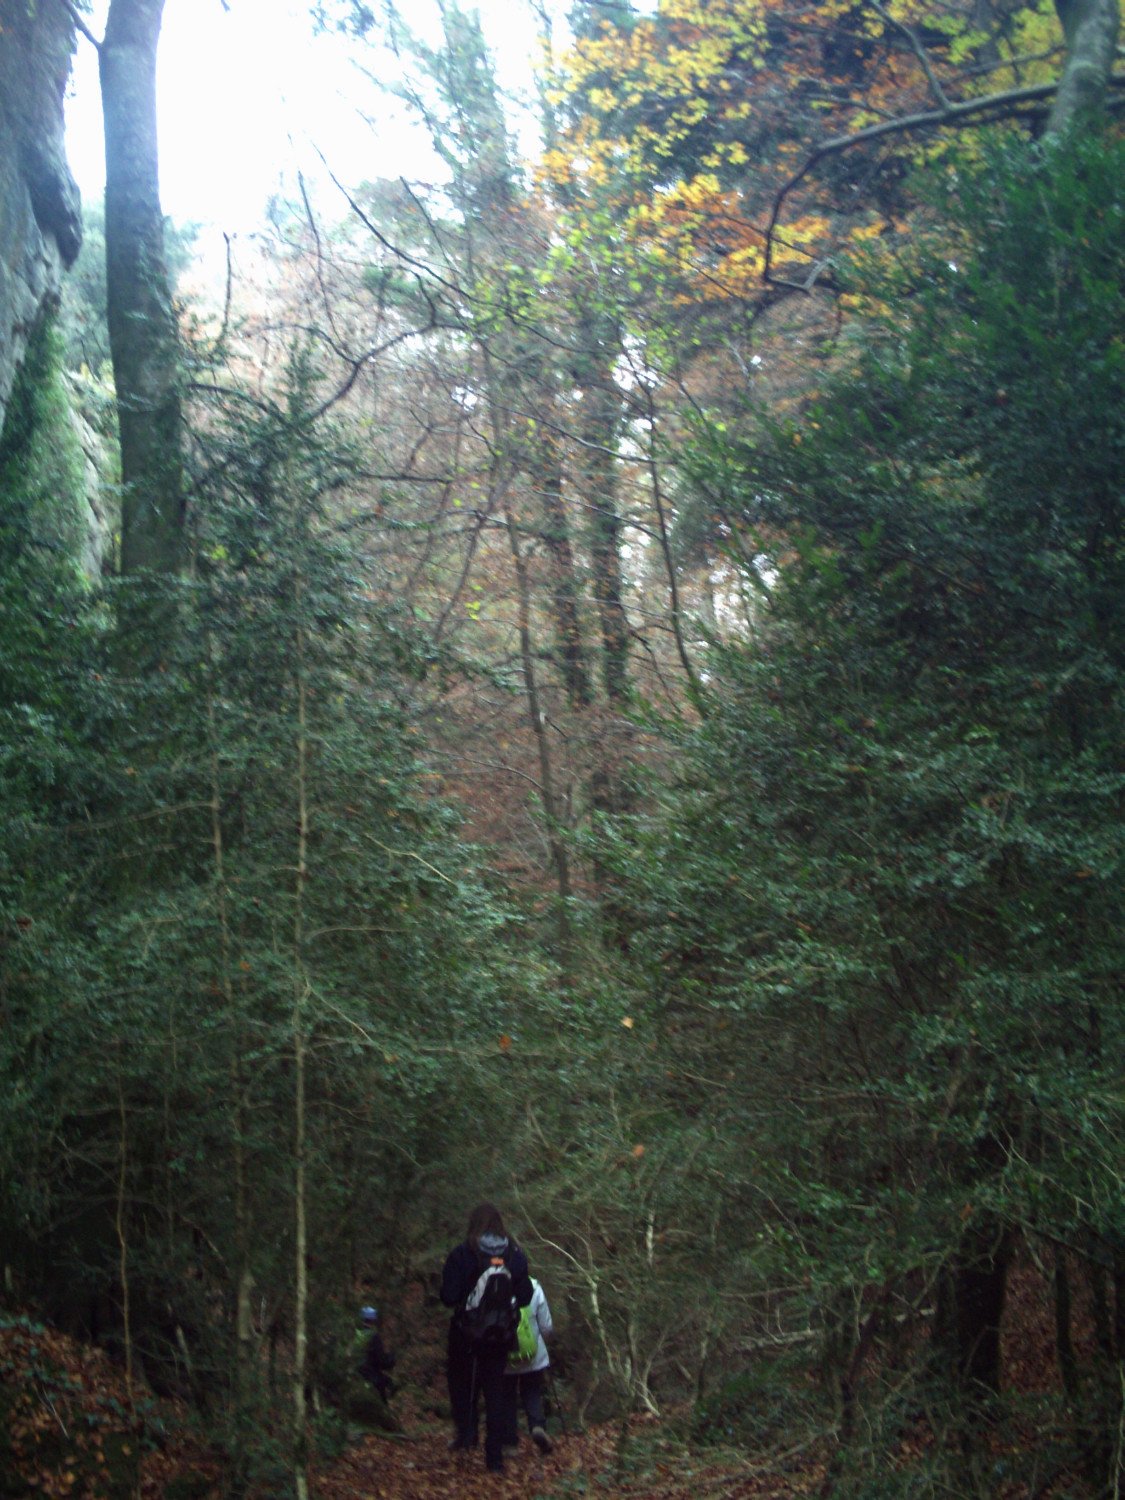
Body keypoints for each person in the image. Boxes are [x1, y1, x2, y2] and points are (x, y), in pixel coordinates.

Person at [441, 1202, 533, 1475]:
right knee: (496, 1392)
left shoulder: (462, 1253)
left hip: (465, 1335)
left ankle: (467, 1436)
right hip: (500, 1336)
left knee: (461, 1384)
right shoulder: (514, 1254)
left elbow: (447, 1296)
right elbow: (526, 1296)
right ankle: (494, 1460)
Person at [502, 1276, 554, 1454]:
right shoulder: (533, 1287)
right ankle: (537, 1427)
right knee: (532, 1392)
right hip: (533, 1355)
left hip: (504, 1356)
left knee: (507, 1397)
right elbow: (546, 1326)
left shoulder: (493, 1285)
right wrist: (542, 1342)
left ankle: (509, 1443)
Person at [355, 1305, 395, 1402]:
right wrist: (391, 1359)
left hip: (359, 1374)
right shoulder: (374, 1337)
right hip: (372, 1376)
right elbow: (380, 1359)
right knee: (388, 1385)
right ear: (373, 1321)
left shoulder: (358, 1335)